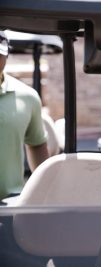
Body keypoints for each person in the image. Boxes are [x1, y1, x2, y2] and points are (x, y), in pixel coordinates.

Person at [0, 30, 49, 202]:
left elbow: (37, 144)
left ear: (6, 56)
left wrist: (43, 193)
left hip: (8, 206)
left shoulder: (27, 97)